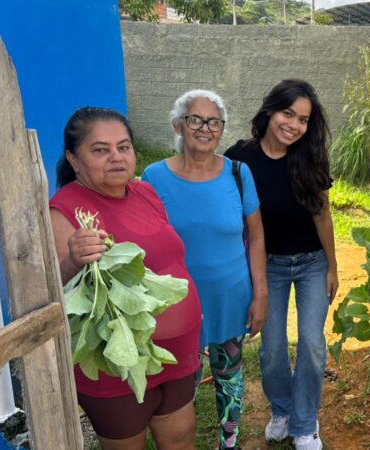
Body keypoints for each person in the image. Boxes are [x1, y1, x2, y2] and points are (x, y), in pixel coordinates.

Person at [49, 107, 202, 450]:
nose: (116, 157)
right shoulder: (66, 209)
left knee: (181, 437)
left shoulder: (144, 193)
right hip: (119, 363)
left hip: (174, 354)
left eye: (124, 146)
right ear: (74, 159)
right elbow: (55, 293)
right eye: (100, 150)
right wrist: (74, 260)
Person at [141, 89, 267, 450]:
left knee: (229, 375)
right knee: (184, 382)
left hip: (231, 296)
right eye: (195, 119)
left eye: (213, 122)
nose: (205, 128)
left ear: (221, 129)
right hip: (178, 303)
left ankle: (229, 442)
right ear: (178, 125)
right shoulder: (153, 177)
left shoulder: (239, 174)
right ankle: (181, 441)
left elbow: (256, 238)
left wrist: (260, 294)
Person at [224, 79, 337, 450]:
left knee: (311, 343)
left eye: (303, 119)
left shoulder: (308, 157)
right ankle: (283, 411)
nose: (294, 125)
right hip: (267, 265)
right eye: (288, 113)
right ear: (270, 111)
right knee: (271, 348)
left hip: (311, 264)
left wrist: (333, 267)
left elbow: (323, 215)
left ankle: (305, 424)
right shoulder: (240, 159)